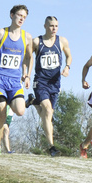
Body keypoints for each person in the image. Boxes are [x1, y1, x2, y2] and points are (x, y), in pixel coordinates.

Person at [0, 4, 33, 155]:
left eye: (24, 17)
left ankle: (12, 99)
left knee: (20, 111)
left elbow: (30, 58)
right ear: (12, 15)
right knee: (1, 113)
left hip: (15, 81)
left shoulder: (26, 37)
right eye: (19, 15)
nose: (21, 19)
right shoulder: (1, 33)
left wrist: (27, 75)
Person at [28, 16, 72, 157]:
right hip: (41, 81)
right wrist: (27, 75)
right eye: (51, 26)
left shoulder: (62, 41)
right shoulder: (36, 41)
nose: (54, 28)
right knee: (47, 110)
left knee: (48, 114)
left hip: (55, 83)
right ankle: (51, 146)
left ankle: (34, 102)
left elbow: (69, 56)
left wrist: (67, 67)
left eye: (56, 26)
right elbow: (27, 59)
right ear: (45, 26)